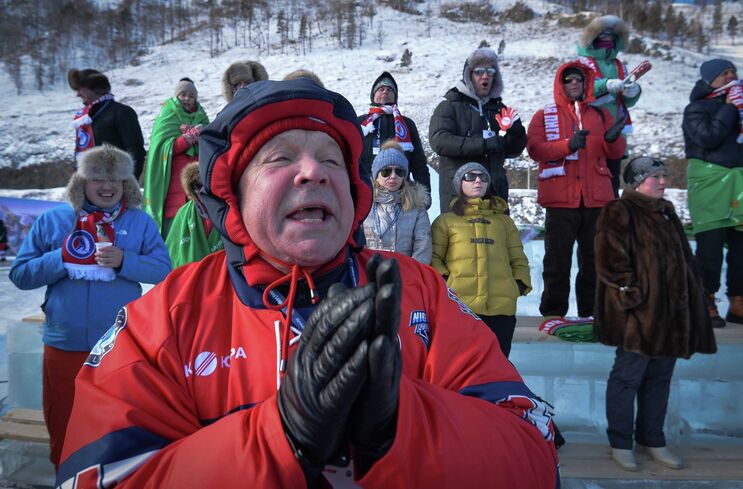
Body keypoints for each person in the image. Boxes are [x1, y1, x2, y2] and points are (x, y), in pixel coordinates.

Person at [57, 79, 559, 488]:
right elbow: (95, 477)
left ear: (353, 191)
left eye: (332, 160)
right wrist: (281, 436)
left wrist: (400, 427)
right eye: (279, 158)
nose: (313, 172)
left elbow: (533, 453)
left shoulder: (421, 292)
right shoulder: (162, 319)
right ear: (233, 192)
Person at [9, 145, 171, 469]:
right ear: (81, 181)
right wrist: (60, 259)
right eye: (98, 178)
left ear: (126, 183)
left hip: (119, 346)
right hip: (63, 343)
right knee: (64, 422)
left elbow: (163, 269)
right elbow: (20, 274)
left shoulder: (139, 222)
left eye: (116, 179)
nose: (107, 186)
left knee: (114, 426)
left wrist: (126, 261)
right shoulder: (54, 220)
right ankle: (65, 476)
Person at [594, 156, 717, 472]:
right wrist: (632, 296)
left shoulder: (666, 212)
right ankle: (620, 442)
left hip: (670, 315)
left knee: (660, 379)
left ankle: (652, 438)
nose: (662, 182)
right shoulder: (620, 211)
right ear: (636, 182)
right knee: (627, 378)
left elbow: (684, 260)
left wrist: (692, 295)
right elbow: (610, 261)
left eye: (663, 176)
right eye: (654, 177)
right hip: (637, 316)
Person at [527, 61, 627, 319]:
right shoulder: (543, 115)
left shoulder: (601, 115)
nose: (574, 83)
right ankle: (553, 314)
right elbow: (535, 149)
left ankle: (591, 313)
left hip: (596, 199)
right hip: (561, 199)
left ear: (586, 84)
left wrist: (616, 139)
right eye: (568, 79)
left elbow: (615, 154)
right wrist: (567, 145)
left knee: (594, 261)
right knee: (557, 261)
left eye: (579, 80)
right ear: (560, 84)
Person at [683, 58, 743, 329]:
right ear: (710, 80)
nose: (731, 76)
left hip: (741, 180)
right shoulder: (695, 109)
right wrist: (730, 107)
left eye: (734, 72)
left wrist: (739, 106)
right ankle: (705, 301)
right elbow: (707, 138)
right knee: (710, 248)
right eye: (724, 73)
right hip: (710, 182)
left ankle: (738, 303)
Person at [431, 162, 531, 357]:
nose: (478, 180)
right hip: (461, 307)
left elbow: (519, 259)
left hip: (501, 309)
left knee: (499, 367)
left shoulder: (504, 222)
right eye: (470, 176)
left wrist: (517, 286)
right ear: (459, 184)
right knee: (462, 368)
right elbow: (434, 259)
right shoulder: (445, 221)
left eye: (483, 177)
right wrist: (447, 286)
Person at [429, 47, 527, 213]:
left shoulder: (498, 109)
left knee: (497, 238)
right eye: (479, 71)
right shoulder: (449, 105)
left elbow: (512, 150)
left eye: (490, 71)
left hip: (495, 195)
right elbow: (439, 140)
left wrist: (517, 134)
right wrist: (483, 144)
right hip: (459, 196)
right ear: (468, 75)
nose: (485, 75)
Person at [576, 15, 642, 196]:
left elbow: (626, 102)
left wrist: (633, 92)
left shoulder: (619, 65)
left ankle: (609, 218)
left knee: (611, 183)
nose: (608, 38)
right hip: (590, 132)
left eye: (611, 35)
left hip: (616, 132)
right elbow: (579, 91)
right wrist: (605, 85)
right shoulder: (581, 63)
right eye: (603, 34)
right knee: (590, 182)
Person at [144, 78, 210, 237]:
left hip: (197, 184)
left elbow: (210, 146)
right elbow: (161, 148)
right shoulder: (167, 115)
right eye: (183, 95)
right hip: (173, 184)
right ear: (176, 96)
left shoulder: (202, 117)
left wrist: (202, 135)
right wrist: (187, 139)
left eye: (191, 96)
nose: (187, 98)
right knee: (174, 234)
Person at [359, 72, 431, 194]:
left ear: (395, 97)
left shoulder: (407, 124)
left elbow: (419, 163)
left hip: (400, 194)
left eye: (389, 90)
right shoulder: (361, 123)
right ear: (373, 95)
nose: (385, 91)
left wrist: (425, 195)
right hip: (366, 193)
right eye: (381, 89)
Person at [68, 68, 146, 180]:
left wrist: (128, 184)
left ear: (94, 88)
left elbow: (135, 150)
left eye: (80, 88)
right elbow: (79, 155)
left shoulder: (122, 112)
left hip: (114, 185)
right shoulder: (83, 118)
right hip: (89, 186)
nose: (78, 94)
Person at [362, 141, 431, 264]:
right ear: (376, 175)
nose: (393, 176)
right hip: (367, 276)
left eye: (399, 172)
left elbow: (423, 248)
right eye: (386, 171)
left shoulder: (417, 207)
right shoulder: (362, 204)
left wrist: (409, 276)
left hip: (407, 278)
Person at [165, 162, 223, 268]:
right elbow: (170, 253)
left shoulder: (228, 209)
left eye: (205, 186)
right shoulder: (184, 213)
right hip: (190, 278)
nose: (202, 191)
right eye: (197, 186)